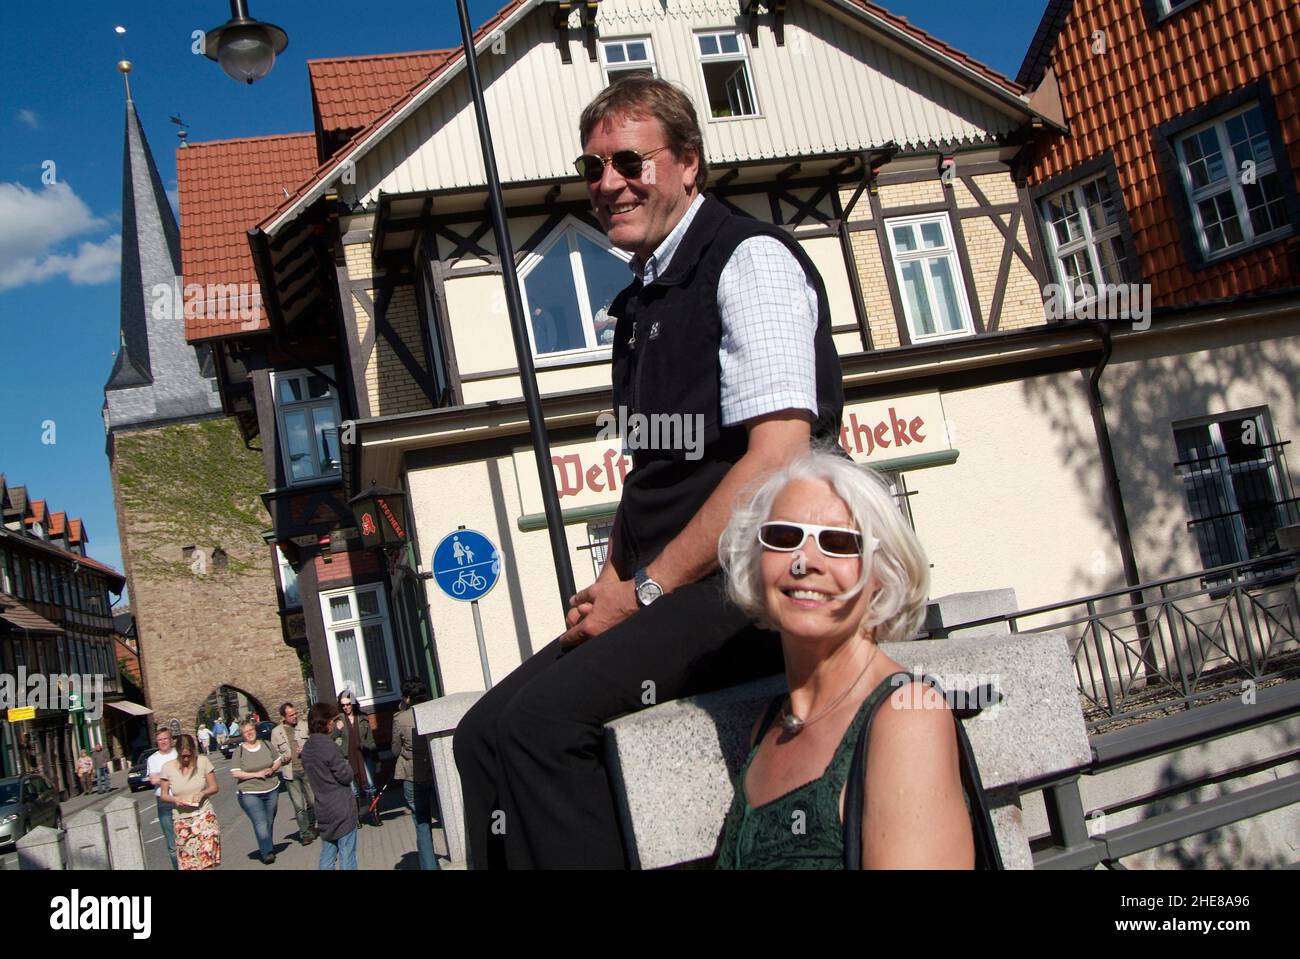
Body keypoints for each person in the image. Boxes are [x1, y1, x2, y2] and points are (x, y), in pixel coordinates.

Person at [453, 76, 844, 869]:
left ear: (689, 164)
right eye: (593, 167)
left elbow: (777, 460)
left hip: (755, 585)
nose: (607, 185)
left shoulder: (748, 260)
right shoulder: (639, 301)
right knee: (481, 733)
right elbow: (651, 478)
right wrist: (610, 581)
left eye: (630, 161)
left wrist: (646, 590)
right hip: (670, 588)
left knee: (544, 728)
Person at [713, 450, 974, 868]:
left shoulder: (907, 720)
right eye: (783, 537)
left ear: (880, 575)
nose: (805, 562)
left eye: (839, 543)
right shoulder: (766, 729)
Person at [302, 702, 358, 870]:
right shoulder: (329, 746)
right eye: (331, 721)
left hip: (323, 807)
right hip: (341, 807)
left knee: (328, 854)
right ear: (325, 723)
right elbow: (346, 775)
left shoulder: (307, 748)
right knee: (347, 854)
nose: (333, 723)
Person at [391, 679, 439, 870]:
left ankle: (429, 866)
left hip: (412, 774)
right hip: (433, 771)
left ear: (407, 697)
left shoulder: (400, 718)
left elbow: (395, 750)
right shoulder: (433, 711)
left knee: (422, 823)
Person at [159, 733, 221, 870]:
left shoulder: (203, 762)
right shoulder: (167, 768)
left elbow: (214, 787)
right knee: (190, 865)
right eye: (183, 756)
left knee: (206, 862)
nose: (186, 758)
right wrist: (175, 799)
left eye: (189, 755)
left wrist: (203, 793)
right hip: (182, 820)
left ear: (193, 751)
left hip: (204, 815)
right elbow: (163, 795)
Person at [229, 720, 285, 864]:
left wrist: (272, 769)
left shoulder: (266, 745)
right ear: (242, 734)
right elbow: (235, 773)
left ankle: (267, 844)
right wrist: (256, 774)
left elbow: (278, 760)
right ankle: (267, 852)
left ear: (255, 730)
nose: (249, 733)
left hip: (271, 787)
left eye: (251, 730)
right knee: (260, 822)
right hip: (249, 792)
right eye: (246, 731)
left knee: (269, 820)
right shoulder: (239, 751)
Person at [271, 701, 317, 845]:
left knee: (313, 801)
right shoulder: (276, 732)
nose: (295, 717)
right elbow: (274, 754)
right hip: (290, 773)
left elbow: (315, 743)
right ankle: (305, 834)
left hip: (307, 769)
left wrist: (306, 750)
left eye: (295, 713)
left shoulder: (304, 726)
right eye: (291, 715)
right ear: (284, 717)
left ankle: (311, 825)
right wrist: (283, 757)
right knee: (298, 805)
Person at [330, 691, 377, 820]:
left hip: (364, 755)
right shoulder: (339, 720)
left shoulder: (363, 717)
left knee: (370, 785)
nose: (346, 707)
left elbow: (371, 739)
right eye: (343, 705)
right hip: (347, 758)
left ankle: (375, 814)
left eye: (348, 704)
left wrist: (375, 757)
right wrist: (336, 730)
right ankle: (357, 817)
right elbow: (330, 739)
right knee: (353, 788)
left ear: (353, 703)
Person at [146, 726, 180, 869]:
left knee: (190, 836)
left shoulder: (178, 753)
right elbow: (153, 780)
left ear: (171, 739)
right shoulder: (152, 759)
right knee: (172, 844)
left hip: (183, 797)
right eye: (160, 739)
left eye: (165, 738)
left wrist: (163, 776)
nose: (163, 742)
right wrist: (174, 774)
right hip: (164, 802)